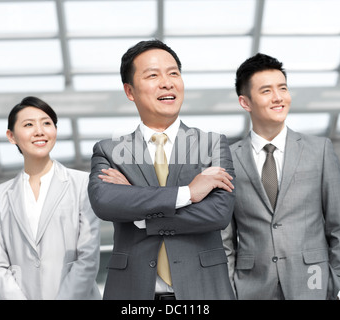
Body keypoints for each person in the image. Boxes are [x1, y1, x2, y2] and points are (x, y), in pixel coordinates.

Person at [88, 39, 236, 300]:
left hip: (203, 291)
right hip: (132, 293)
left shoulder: (213, 144)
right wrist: (188, 193)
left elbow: (217, 213)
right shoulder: (109, 151)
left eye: (173, 73)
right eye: (153, 75)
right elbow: (105, 203)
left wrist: (138, 211)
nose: (167, 82)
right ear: (130, 91)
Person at [223, 53, 340, 300]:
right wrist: (230, 291)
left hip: (314, 288)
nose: (278, 97)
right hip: (251, 290)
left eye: (282, 88)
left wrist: (337, 284)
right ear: (245, 102)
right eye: (266, 91)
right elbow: (225, 238)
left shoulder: (320, 151)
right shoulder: (227, 160)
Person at [0, 96, 101, 300]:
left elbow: (88, 257)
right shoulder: (1, 194)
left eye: (47, 123)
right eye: (29, 124)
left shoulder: (82, 183)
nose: (40, 131)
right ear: (11, 136)